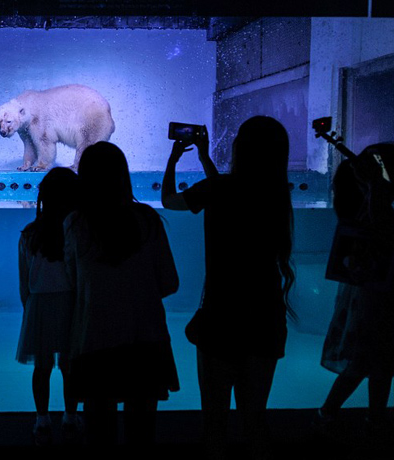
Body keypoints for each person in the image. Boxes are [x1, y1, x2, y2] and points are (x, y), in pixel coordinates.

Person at [162, 116, 295, 460]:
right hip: (265, 316)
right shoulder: (277, 196)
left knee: (215, 423)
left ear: (240, 148)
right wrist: (206, 160)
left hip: (222, 316)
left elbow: (169, 199)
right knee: (255, 420)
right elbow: (232, 192)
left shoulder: (218, 190)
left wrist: (173, 161)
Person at [64, 141, 180, 446]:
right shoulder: (148, 220)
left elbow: (73, 284)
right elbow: (170, 283)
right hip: (145, 342)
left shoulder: (76, 225)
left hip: (94, 343)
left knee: (99, 436)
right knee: (142, 435)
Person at [316, 142, 394, 440]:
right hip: (377, 297)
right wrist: (376, 187)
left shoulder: (362, 206)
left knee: (378, 362)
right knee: (373, 360)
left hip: (372, 294)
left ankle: (355, 417)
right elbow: (381, 231)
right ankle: (336, 415)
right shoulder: (374, 208)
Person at [15, 167, 81, 445]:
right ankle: (70, 415)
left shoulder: (30, 234)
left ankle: (42, 418)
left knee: (41, 367)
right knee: (70, 365)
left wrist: (28, 307)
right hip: (71, 304)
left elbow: (24, 280)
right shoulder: (77, 231)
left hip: (39, 305)